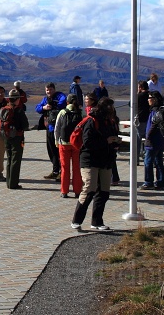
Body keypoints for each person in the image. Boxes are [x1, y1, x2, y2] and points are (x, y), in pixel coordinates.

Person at [71, 97, 120, 231]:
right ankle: (77, 220)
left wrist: (115, 142)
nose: (112, 111)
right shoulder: (92, 121)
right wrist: (106, 141)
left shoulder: (110, 122)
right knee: (89, 189)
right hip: (90, 160)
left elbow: (113, 137)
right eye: (109, 108)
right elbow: (88, 143)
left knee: (104, 192)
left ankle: (97, 221)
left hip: (106, 160)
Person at [54, 94, 84, 198]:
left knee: (64, 168)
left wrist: (57, 141)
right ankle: (77, 190)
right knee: (76, 168)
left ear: (67, 102)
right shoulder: (80, 112)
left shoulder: (62, 112)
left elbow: (57, 128)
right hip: (76, 144)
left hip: (64, 144)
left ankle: (64, 191)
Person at [35, 83, 67, 180]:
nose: (49, 92)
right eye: (47, 90)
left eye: (51, 90)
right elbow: (38, 108)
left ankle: (62, 172)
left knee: (59, 151)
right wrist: (44, 108)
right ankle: (55, 170)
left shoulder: (60, 96)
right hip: (49, 128)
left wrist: (53, 105)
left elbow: (62, 103)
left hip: (58, 129)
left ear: (54, 89)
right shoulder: (45, 99)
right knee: (51, 151)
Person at [2, 89, 30, 190]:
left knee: (9, 159)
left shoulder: (4, 109)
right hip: (17, 137)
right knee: (15, 160)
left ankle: (9, 182)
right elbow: (26, 125)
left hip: (6, 137)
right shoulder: (18, 110)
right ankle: (13, 184)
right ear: (17, 99)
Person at [140, 91, 164, 190]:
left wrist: (148, 137)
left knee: (148, 161)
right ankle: (160, 181)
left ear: (155, 99)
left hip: (153, 140)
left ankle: (148, 181)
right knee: (158, 161)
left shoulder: (156, 112)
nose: (148, 100)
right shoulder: (160, 110)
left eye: (150, 98)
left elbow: (153, 126)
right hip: (160, 140)